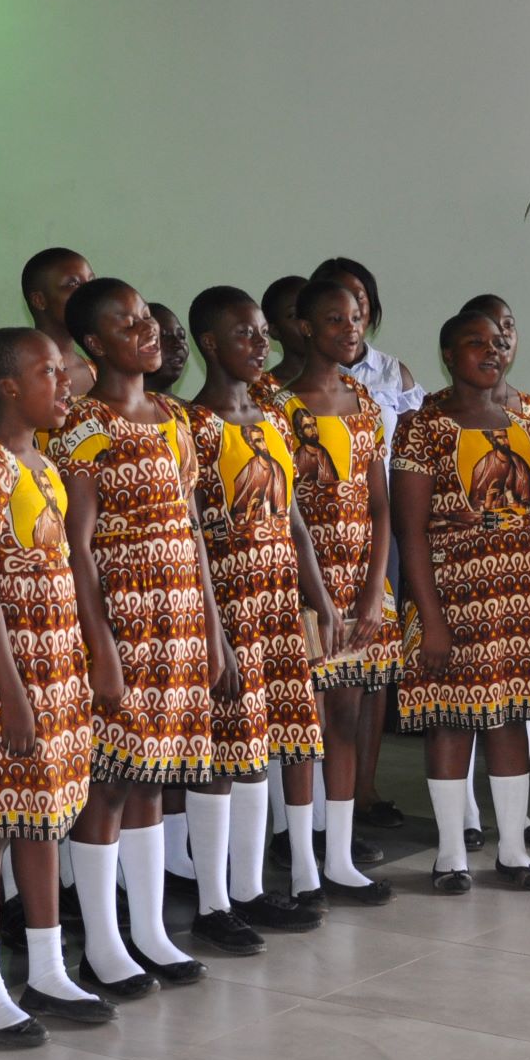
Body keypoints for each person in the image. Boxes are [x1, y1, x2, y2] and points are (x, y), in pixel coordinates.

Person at [54, 277, 231, 998]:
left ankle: (150, 928)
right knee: (111, 780)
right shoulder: (82, 429)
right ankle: (102, 940)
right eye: (127, 323)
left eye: (145, 317)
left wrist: (213, 628)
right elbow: (77, 548)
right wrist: (99, 647)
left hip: (182, 617)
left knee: (156, 776)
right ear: (94, 344)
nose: (147, 329)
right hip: (121, 621)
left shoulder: (173, 417)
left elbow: (191, 530)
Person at [0, 328, 113, 1039]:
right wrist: (10, 692)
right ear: (9, 386)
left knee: (43, 817)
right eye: (50, 372)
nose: (66, 381)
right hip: (3, 673)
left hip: (54, 665)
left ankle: (47, 968)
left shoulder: (40, 461)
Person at [392, 308, 530, 892]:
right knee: (449, 721)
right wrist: (432, 620)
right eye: (475, 343)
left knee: (513, 717)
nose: (492, 352)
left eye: (498, 342)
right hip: (449, 597)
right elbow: (409, 530)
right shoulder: (422, 425)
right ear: (448, 355)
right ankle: (449, 856)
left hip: (522, 596)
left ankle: (512, 851)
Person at [182, 288, 332, 936]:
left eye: (262, 332)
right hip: (227, 601)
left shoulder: (268, 416)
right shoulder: (193, 423)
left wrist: (317, 589)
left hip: (275, 598)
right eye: (243, 334)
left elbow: (294, 514)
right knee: (223, 747)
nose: (259, 344)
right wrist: (213, 629)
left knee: (259, 748)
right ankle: (213, 901)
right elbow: (188, 530)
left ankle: (247, 888)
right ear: (210, 344)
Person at [257, 277, 397, 904]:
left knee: (344, 716)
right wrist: (319, 597)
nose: (351, 330)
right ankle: (303, 860)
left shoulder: (364, 401)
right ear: (305, 327)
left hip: (357, 579)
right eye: (336, 320)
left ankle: (338, 856)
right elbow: (281, 513)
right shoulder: (272, 403)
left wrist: (373, 591)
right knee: (297, 720)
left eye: (358, 318)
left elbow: (380, 505)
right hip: (295, 584)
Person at [0, 248, 95, 438]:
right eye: (73, 284)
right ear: (39, 300)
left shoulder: (100, 373)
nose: (88, 293)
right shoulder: (7, 374)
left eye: (91, 282)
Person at [309, 257, 423, 434]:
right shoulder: (304, 376)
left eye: (357, 298)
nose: (349, 307)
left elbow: (413, 447)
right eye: (339, 298)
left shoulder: (393, 372)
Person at [260, 275, 310, 388]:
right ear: (274, 330)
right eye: (294, 315)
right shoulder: (263, 391)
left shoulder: (348, 381)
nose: (307, 321)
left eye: (312, 309)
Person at [145, 302, 190, 396]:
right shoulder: (112, 409)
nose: (178, 344)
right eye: (163, 336)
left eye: (181, 336)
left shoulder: (197, 410)